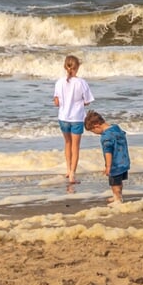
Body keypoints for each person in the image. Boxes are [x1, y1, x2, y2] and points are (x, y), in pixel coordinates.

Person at [52, 54, 93, 187]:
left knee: (67, 143)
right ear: (78, 67)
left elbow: (56, 102)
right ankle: (72, 175)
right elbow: (87, 102)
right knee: (76, 147)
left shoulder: (59, 82)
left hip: (63, 117)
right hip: (77, 118)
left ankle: (68, 170)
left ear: (65, 67)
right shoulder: (81, 83)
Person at [84, 111, 129, 204]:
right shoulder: (116, 128)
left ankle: (117, 199)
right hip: (124, 160)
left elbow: (108, 152)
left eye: (93, 131)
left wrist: (108, 166)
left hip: (115, 163)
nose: (95, 133)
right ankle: (118, 196)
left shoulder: (106, 137)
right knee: (119, 182)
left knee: (114, 183)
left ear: (96, 125)